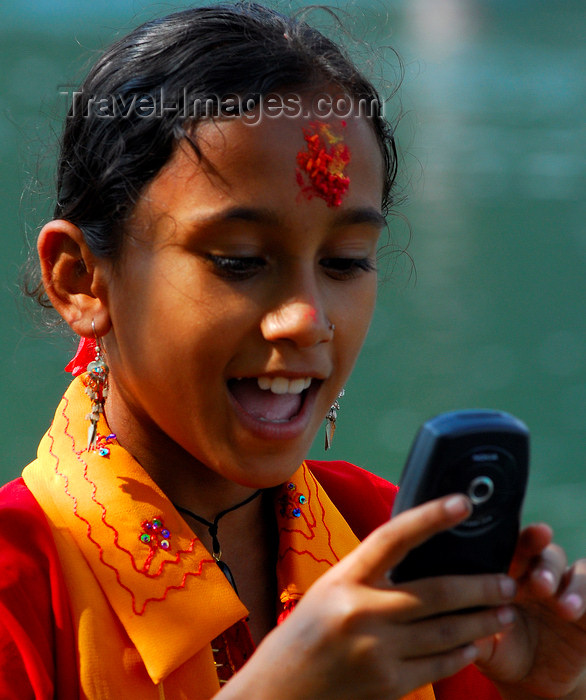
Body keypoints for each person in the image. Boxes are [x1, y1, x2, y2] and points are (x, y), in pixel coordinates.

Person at [1, 3, 586, 699]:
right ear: (81, 278)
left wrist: (548, 686)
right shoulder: (20, 582)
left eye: (343, 262)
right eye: (240, 260)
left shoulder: (388, 536)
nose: (307, 320)